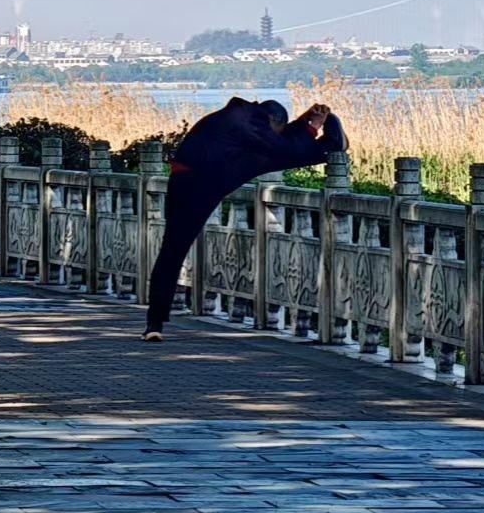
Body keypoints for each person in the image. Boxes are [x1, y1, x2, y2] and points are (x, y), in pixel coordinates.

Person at [142, 97, 348, 342]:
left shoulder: (239, 115)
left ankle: (154, 323)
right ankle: (331, 144)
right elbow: (283, 148)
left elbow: (277, 142)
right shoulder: (249, 120)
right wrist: (310, 125)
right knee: (280, 155)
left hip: (194, 177)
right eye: (280, 129)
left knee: (171, 251)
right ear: (273, 121)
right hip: (202, 182)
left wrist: (305, 122)